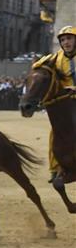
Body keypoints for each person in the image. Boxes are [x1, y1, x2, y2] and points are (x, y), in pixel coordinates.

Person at [38, 26, 76, 180]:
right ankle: (56, 168)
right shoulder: (56, 58)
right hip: (67, 104)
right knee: (56, 132)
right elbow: (37, 66)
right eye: (62, 40)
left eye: (69, 38)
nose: (66, 42)